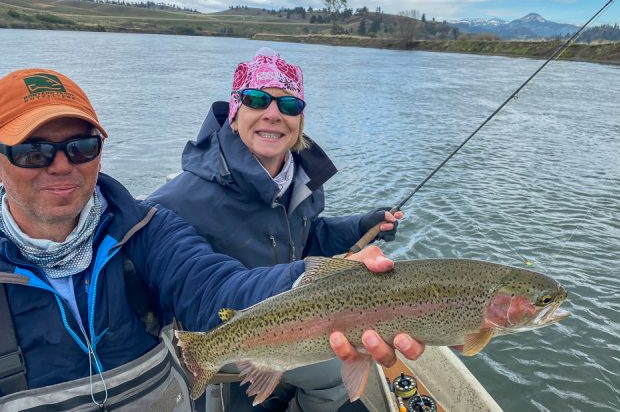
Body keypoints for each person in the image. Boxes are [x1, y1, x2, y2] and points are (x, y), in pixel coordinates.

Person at [0, 68, 423, 411]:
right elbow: (213, 303)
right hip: (251, 334)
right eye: (32, 152)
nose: (59, 165)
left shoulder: (148, 228)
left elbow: (220, 282)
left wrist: (359, 234)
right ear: (233, 114)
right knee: (332, 374)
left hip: (287, 316)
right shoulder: (172, 204)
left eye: (81, 147)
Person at [149, 48, 404, 411]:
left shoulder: (300, 179)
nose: (273, 114)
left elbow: (306, 240)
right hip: (232, 330)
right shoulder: (174, 201)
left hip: (296, 315)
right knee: (340, 370)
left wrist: (362, 226)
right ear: (235, 116)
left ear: (299, 121)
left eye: (289, 106)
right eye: (256, 100)